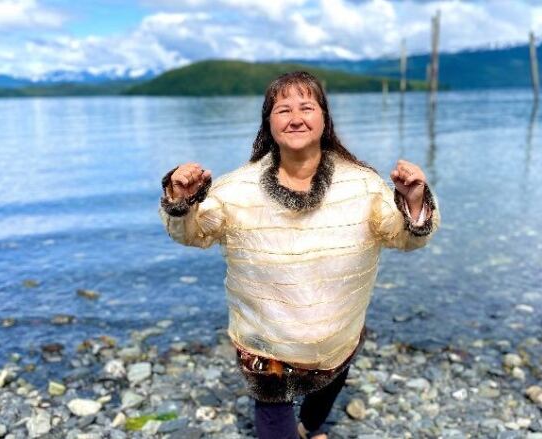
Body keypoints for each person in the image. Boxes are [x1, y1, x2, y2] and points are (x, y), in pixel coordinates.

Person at [158, 71, 440, 439]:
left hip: (339, 330)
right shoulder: (236, 189)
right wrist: (182, 201)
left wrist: (414, 200)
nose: (295, 118)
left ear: (324, 119)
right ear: (268, 122)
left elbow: (405, 238)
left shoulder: (362, 185)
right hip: (267, 341)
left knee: (330, 383)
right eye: (282, 109)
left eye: (307, 107)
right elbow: (193, 234)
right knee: (273, 411)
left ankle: (310, 427)